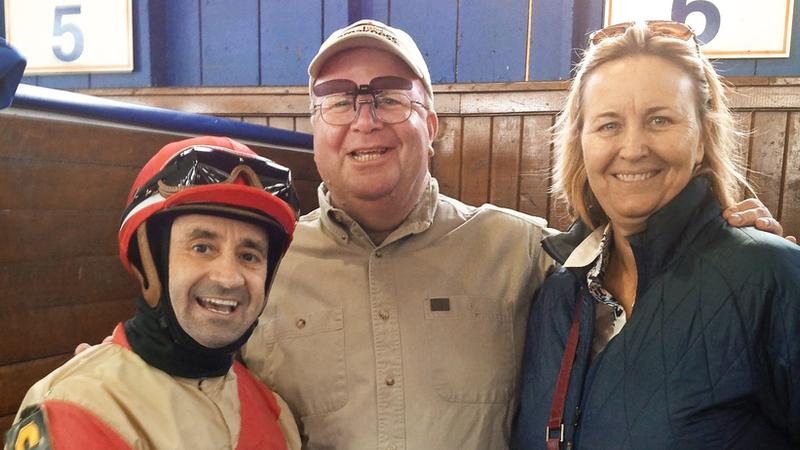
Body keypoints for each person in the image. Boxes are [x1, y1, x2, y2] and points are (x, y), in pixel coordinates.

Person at [239, 19, 790, 450]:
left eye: (389, 97)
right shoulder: (260, 263)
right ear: (315, 126)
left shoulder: (525, 251)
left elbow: (653, 252)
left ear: (430, 124)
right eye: (338, 100)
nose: (365, 119)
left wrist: (745, 249)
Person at [512, 21, 800, 449]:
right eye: (608, 125)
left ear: (701, 138)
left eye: (660, 120)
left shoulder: (771, 276)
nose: (632, 148)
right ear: (582, 143)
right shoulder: (557, 293)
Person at [5, 136, 302, 450]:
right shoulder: (76, 408)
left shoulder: (274, 409)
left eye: (248, 255)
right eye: (202, 247)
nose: (229, 278)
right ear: (149, 263)